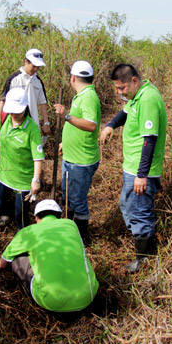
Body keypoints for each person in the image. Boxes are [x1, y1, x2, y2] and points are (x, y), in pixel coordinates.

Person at [100, 64, 167, 273]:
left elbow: (150, 139)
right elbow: (125, 112)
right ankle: (145, 246)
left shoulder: (147, 99)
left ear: (134, 81)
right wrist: (111, 124)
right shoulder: (137, 96)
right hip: (131, 167)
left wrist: (141, 175)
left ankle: (144, 260)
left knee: (139, 212)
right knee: (127, 205)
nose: (120, 93)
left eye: (122, 88)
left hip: (140, 170)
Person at [0, 199, 99, 313]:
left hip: (51, 301)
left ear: (36, 218)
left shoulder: (28, 232)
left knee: (17, 261)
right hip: (87, 296)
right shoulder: (71, 225)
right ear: (59, 216)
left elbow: (2, 264)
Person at [54, 60, 100, 244]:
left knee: (78, 200)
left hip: (81, 161)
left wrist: (66, 116)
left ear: (73, 78)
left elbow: (90, 125)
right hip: (71, 157)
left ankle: (82, 239)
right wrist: (65, 142)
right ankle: (70, 228)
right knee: (68, 196)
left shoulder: (88, 97)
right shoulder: (82, 95)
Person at [0, 87, 44, 229]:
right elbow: (3, 137)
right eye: (11, 110)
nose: (14, 113)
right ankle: (10, 213)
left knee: (21, 215)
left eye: (17, 110)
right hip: (3, 172)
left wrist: (36, 180)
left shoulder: (32, 129)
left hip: (22, 178)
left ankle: (25, 241)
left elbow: (38, 157)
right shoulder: (7, 119)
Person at [0, 48, 51, 142]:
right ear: (26, 61)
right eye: (34, 66)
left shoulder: (38, 81)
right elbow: (3, 101)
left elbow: (42, 103)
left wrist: (46, 123)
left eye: (38, 66)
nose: (36, 69)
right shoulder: (13, 79)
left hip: (33, 124)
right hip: (14, 123)